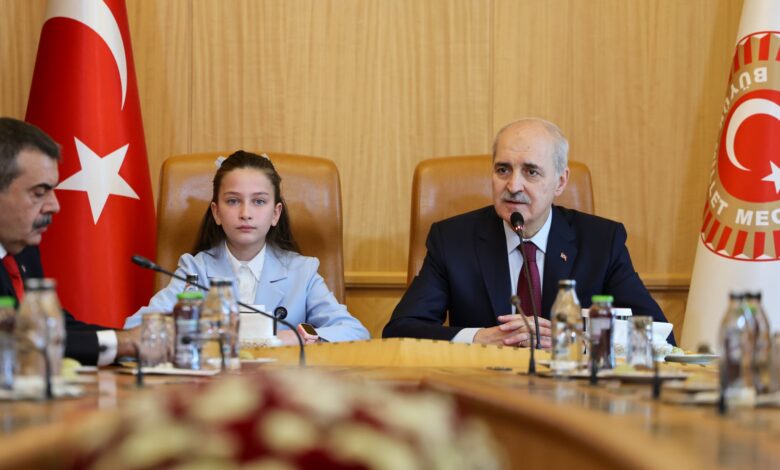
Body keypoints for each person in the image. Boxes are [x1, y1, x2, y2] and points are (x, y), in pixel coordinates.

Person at [383, 117, 672, 347]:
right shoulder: (452, 240)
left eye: (531, 172)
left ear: (560, 182)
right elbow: (400, 330)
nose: (513, 186)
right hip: (483, 389)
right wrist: (478, 338)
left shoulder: (601, 242)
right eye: (503, 170)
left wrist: (573, 339)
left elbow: (660, 336)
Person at [124, 150, 369, 344]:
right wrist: (195, 332)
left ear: (275, 214)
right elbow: (134, 328)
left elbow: (355, 331)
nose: (246, 213)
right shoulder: (195, 270)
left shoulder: (301, 271)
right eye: (233, 201)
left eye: (259, 201)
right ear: (216, 212)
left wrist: (295, 337)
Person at [0, 117, 138, 365]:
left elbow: (50, 327)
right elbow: (18, 342)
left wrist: (133, 340)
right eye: (39, 193)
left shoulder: (22, 248)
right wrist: (123, 343)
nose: (55, 205)